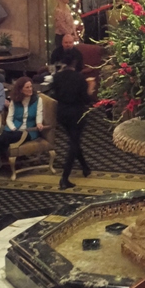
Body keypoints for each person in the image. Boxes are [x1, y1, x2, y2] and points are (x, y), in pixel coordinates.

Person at [0, 77, 45, 176]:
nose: (30, 89)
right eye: (27, 87)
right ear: (20, 89)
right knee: (3, 138)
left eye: (31, 87)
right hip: (13, 129)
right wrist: (14, 129)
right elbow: (9, 119)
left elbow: (39, 114)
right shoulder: (15, 101)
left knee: (1, 139)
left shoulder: (37, 100)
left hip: (28, 131)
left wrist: (39, 123)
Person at [53, 51, 93, 189]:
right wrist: (91, 89)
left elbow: (55, 95)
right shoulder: (79, 78)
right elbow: (87, 100)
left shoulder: (57, 77)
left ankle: (85, 167)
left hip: (62, 113)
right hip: (76, 114)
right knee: (74, 144)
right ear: (75, 63)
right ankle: (64, 178)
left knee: (73, 140)